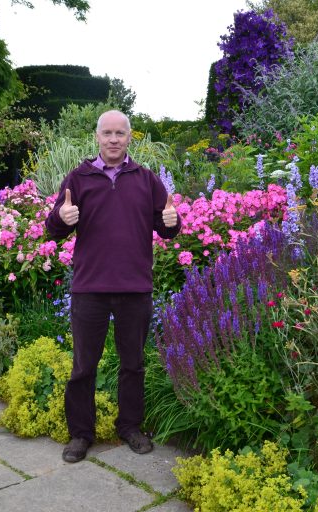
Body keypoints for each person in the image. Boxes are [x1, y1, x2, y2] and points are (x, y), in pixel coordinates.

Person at [45, 110, 180, 463]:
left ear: (130, 137)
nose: (114, 139)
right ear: (97, 137)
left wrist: (171, 221)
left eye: (120, 133)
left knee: (133, 363)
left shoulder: (146, 179)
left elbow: (166, 227)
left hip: (135, 287)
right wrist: (61, 217)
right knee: (83, 366)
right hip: (90, 288)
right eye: (107, 133)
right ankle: (80, 434)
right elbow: (53, 228)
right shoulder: (79, 178)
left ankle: (130, 427)